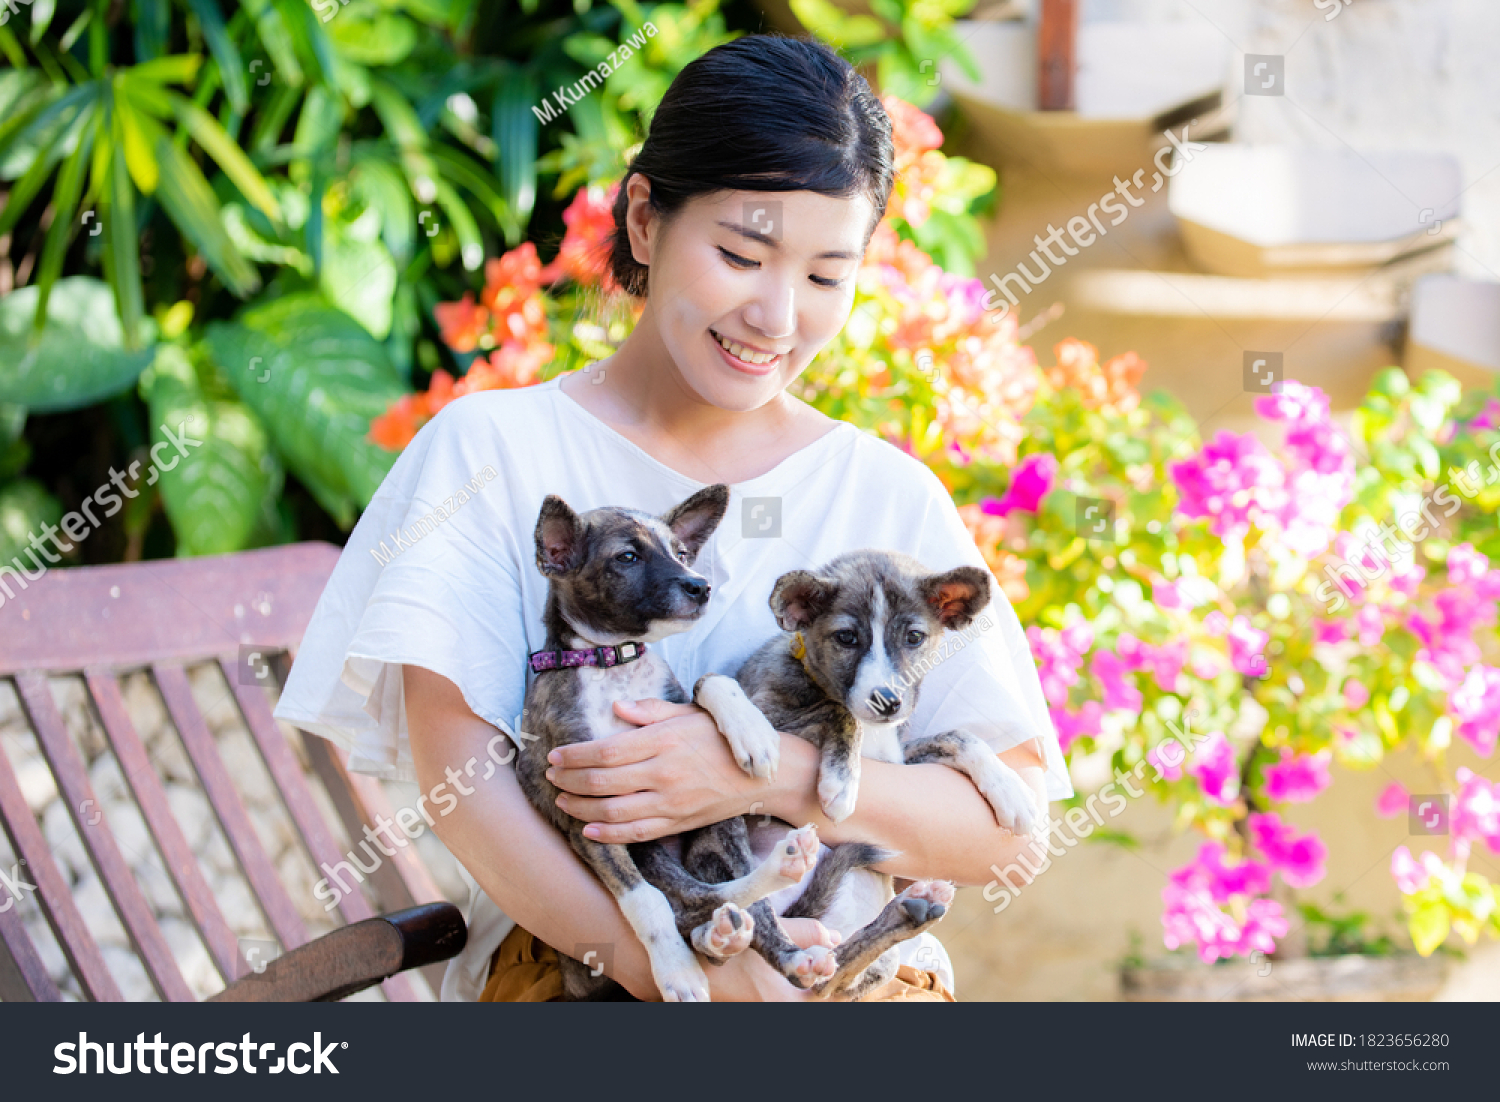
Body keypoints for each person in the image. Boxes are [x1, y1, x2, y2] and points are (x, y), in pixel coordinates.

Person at [273, 33, 1073, 1003]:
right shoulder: (493, 449)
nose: (778, 315)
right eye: (743, 252)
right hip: (582, 978)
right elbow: (467, 789)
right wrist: (685, 972)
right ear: (646, 218)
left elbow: (1006, 826)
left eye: (826, 275)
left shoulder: (885, 495)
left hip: (846, 982)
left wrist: (760, 771)